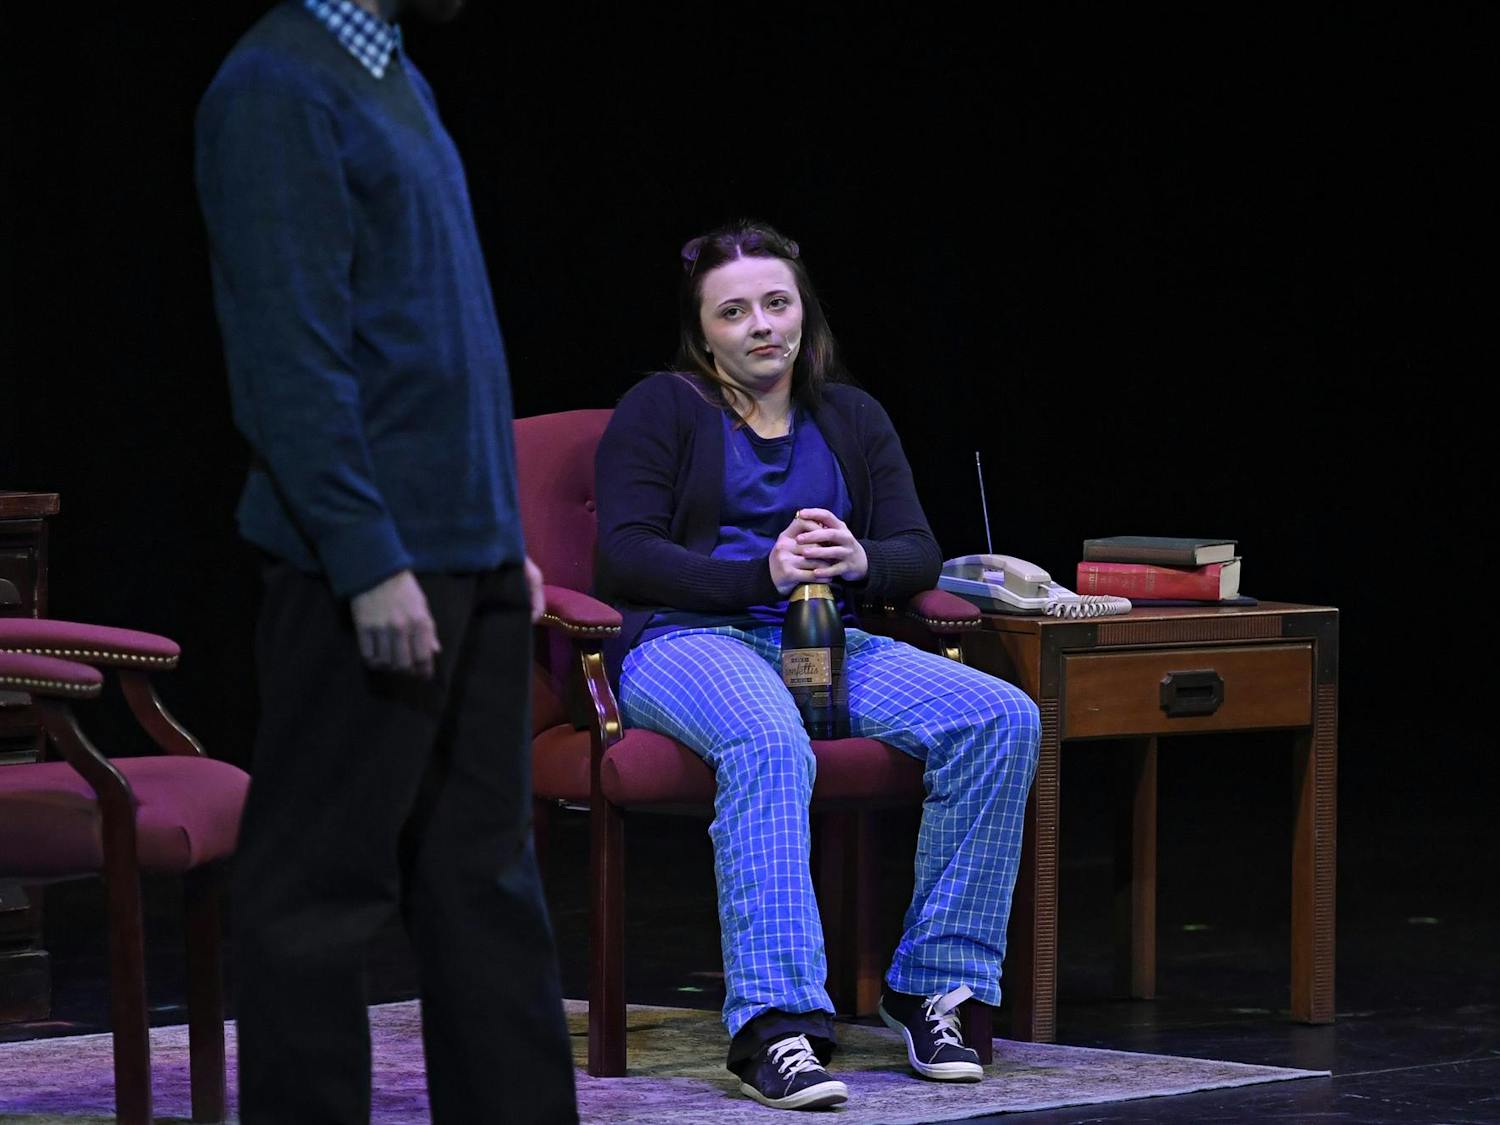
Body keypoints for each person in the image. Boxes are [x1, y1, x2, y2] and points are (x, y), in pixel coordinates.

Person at [195, 1, 577, 1120]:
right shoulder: (275, 85)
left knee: (485, 885)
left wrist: (501, 540)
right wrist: (366, 557)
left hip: (468, 561)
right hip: (362, 569)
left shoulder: (392, 75)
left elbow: (446, 342)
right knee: (317, 894)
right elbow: (289, 353)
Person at [593, 220, 1042, 1111]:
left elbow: (918, 547)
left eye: (776, 303)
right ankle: (779, 1025)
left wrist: (857, 559)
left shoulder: (851, 415)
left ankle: (932, 989)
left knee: (1001, 716)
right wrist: (757, 572)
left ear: (804, 312)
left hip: (821, 641)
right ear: (703, 328)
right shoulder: (662, 407)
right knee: (768, 741)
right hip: (684, 642)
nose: (760, 325)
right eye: (734, 311)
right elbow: (624, 555)